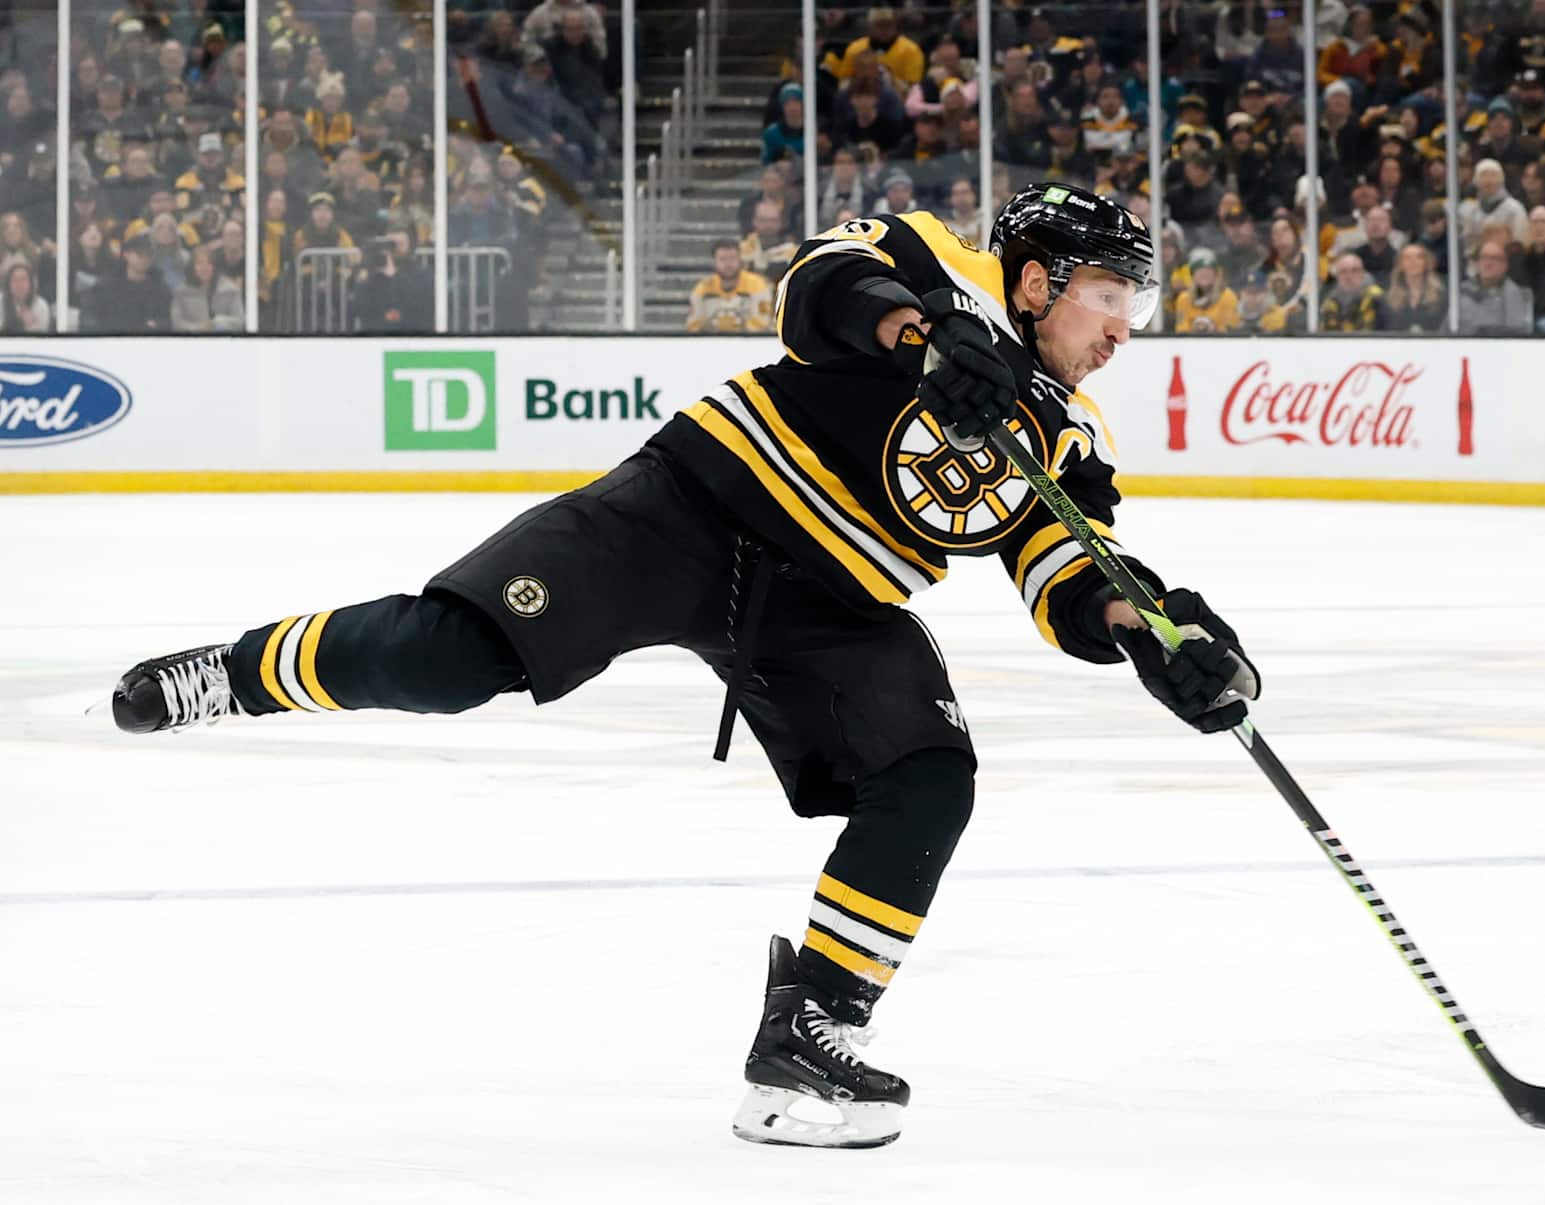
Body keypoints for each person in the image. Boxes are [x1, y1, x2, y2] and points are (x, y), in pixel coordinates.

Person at [109, 183, 1259, 1152]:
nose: (1122, 328)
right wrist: (922, 337)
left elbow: (1064, 562)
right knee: (448, 655)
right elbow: (813, 288)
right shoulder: (936, 264)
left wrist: (1156, 632)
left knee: (929, 770)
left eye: (1134, 306)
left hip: (834, 601)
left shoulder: (1067, 433)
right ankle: (234, 671)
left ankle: (812, 1030)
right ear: (1038, 280)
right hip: (693, 507)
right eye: (1111, 297)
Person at [686, 238, 772, 332]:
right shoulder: (703, 288)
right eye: (722, 259)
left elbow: (763, 323)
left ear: (740, 260)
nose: (728, 264)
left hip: (748, 342)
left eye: (732, 258)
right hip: (712, 342)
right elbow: (692, 326)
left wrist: (739, 326)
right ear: (714, 262)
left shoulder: (757, 285)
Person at [1458, 239, 1534, 334]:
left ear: (1504, 266)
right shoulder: (1463, 290)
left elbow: (1517, 334)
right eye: (1484, 257)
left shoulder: (1514, 294)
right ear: (1477, 263)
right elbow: (1446, 329)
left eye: (1494, 258)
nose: (1488, 263)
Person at [170, 244, 245, 331]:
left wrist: (217, 322)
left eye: (209, 263)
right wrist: (198, 328)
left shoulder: (231, 290)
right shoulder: (181, 292)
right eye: (199, 263)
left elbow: (240, 321)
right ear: (192, 267)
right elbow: (177, 322)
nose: (204, 268)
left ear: (215, 266)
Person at [1173, 247, 1240, 333]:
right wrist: (1194, 329)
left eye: (1209, 270)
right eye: (1200, 270)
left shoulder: (1227, 296)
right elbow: (1181, 328)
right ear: (1192, 275)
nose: (1204, 274)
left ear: (1216, 275)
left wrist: (1213, 329)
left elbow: (1231, 327)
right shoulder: (1183, 299)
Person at [1381, 243, 1445, 332]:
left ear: (1426, 263)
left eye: (1419, 257)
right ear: (1400, 265)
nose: (1413, 261)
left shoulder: (1442, 296)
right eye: (1407, 258)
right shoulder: (1387, 298)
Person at [1320, 253, 1383, 331]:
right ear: (1337, 276)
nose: (1348, 276)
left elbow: (1368, 334)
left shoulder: (1375, 297)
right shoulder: (1331, 302)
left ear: (1363, 273)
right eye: (1343, 271)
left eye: (1354, 270)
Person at [1, 261, 51, 332]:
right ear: (8, 284)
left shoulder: (41, 306)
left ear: (31, 283)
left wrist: (30, 326)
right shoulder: (1, 302)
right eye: (14, 280)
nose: (19, 284)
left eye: (23, 279)